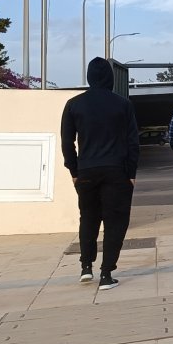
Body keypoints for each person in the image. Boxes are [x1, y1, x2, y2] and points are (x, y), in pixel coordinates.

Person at [61, 57, 140, 291]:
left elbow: (67, 142)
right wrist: (131, 173)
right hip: (117, 171)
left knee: (88, 218)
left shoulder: (73, 104)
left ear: (89, 77)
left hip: (86, 171)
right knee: (115, 221)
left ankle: (86, 267)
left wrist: (74, 170)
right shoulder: (123, 104)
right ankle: (106, 274)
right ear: (110, 77)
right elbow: (132, 142)